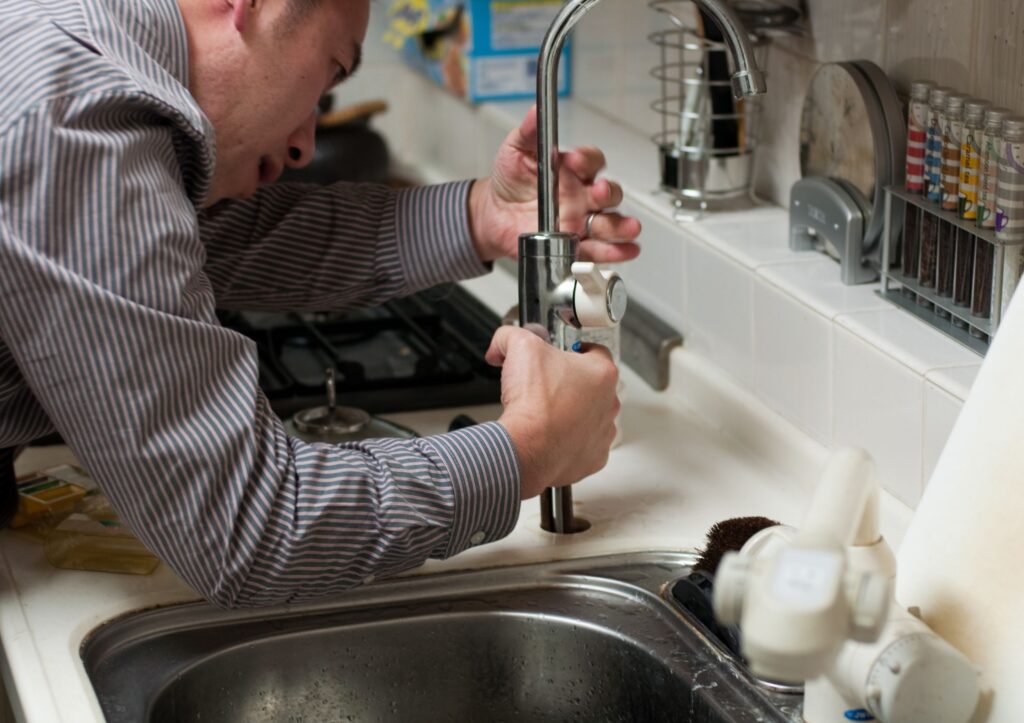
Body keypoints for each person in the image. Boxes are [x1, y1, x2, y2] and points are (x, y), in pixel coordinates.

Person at [0, 0, 641, 607]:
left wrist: (484, 216)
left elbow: (223, 240)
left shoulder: (79, 47)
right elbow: (249, 529)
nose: (305, 144)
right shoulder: (78, 122)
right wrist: (527, 449)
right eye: (332, 69)